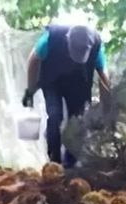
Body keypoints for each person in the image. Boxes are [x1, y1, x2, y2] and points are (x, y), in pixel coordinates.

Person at [22, 24, 110, 168]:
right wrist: (30, 91)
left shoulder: (96, 45)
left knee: (78, 120)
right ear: (67, 39)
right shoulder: (51, 39)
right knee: (55, 115)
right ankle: (54, 161)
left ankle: (71, 163)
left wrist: (106, 107)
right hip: (52, 81)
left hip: (79, 83)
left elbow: (103, 76)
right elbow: (33, 61)